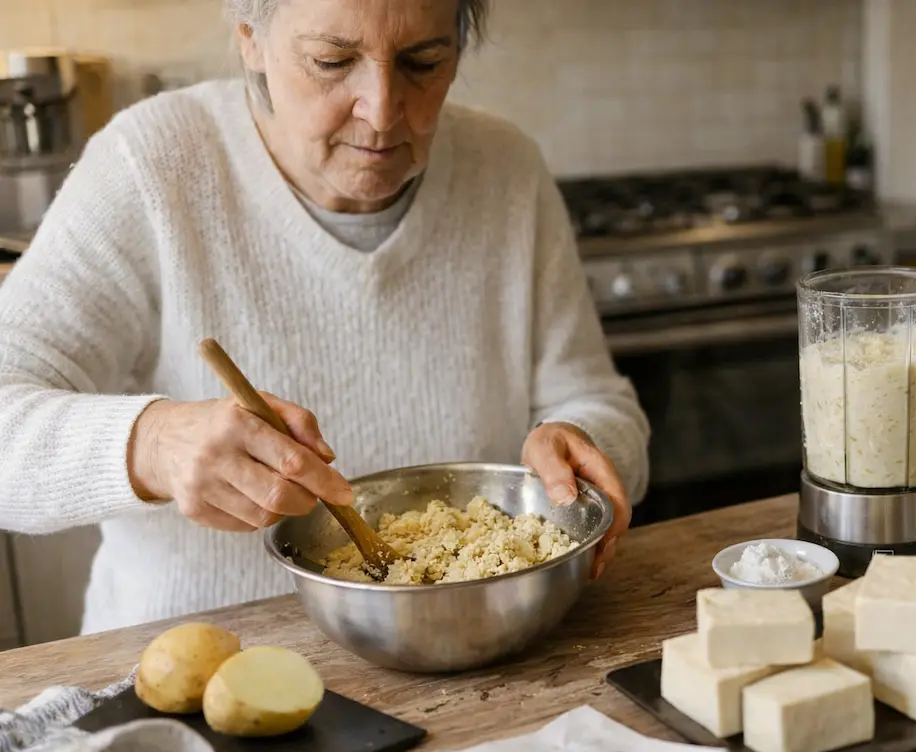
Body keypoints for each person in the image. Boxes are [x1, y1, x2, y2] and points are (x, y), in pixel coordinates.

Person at [0, 0, 649, 635]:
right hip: (197, 678)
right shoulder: (151, 166)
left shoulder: (507, 170)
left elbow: (594, 398)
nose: (381, 110)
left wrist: (581, 441)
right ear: (250, 38)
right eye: (332, 61)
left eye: (423, 62)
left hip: (472, 652)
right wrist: (154, 445)